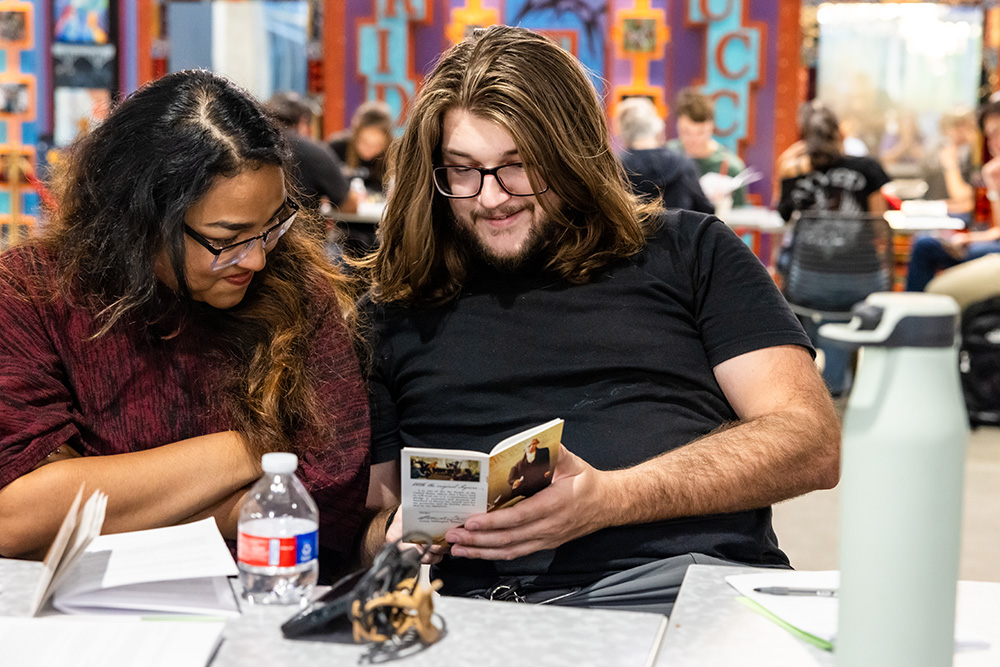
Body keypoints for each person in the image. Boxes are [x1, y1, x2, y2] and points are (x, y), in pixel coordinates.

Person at [362, 26, 840, 615]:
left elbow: (810, 441)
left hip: (686, 588)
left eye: (517, 166)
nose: (490, 198)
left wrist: (612, 498)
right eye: (462, 170)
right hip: (487, 613)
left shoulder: (688, 252)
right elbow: (367, 519)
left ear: (572, 156)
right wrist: (392, 536)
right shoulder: (396, 306)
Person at [0, 70, 370, 580]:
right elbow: (18, 517)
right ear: (138, 218)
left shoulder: (294, 288)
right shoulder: (31, 292)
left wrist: (104, 496)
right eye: (228, 237)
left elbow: (332, 496)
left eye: (271, 227)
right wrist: (259, 444)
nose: (256, 261)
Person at [906, 98, 1000, 292]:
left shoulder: (977, 163)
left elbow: (964, 200)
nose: (993, 142)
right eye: (990, 136)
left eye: (997, 133)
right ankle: (916, 315)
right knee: (924, 243)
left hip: (992, 247)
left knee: (936, 246)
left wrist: (970, 239)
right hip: (985, 236)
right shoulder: (988, 168)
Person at [776, 101, 890, 222]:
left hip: (807, 241)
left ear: (804, 139)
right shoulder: (868, 167)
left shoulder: (794, 170)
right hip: (854, 241)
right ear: (840, 133)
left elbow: (784, 215)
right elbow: (879, 222)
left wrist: (784, 168)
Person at [613, 96, 713, 214]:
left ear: (622, 131)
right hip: (679, 232)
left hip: (634, 232)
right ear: (657, 126)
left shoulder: (614, 168)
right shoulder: (683, 164)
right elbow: (705, 211)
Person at [266, 91, 357, 215]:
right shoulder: (314, 152)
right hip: (299, 231)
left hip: (253, 232)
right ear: (303, 120)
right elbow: (349, 205)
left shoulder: (248, 146)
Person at [666, 87, 748, 207]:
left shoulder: (730, 166)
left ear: (712, 126)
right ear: (677, 125)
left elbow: (739, 217)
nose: (694, 139)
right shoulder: (666, 158)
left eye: (701, 132)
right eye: (686, 131)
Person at [328, 100, 393, 194]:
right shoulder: (335, 148)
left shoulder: (392, 157)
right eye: (364, 142)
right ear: (354, 135)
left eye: (378, 145)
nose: (370, 150)